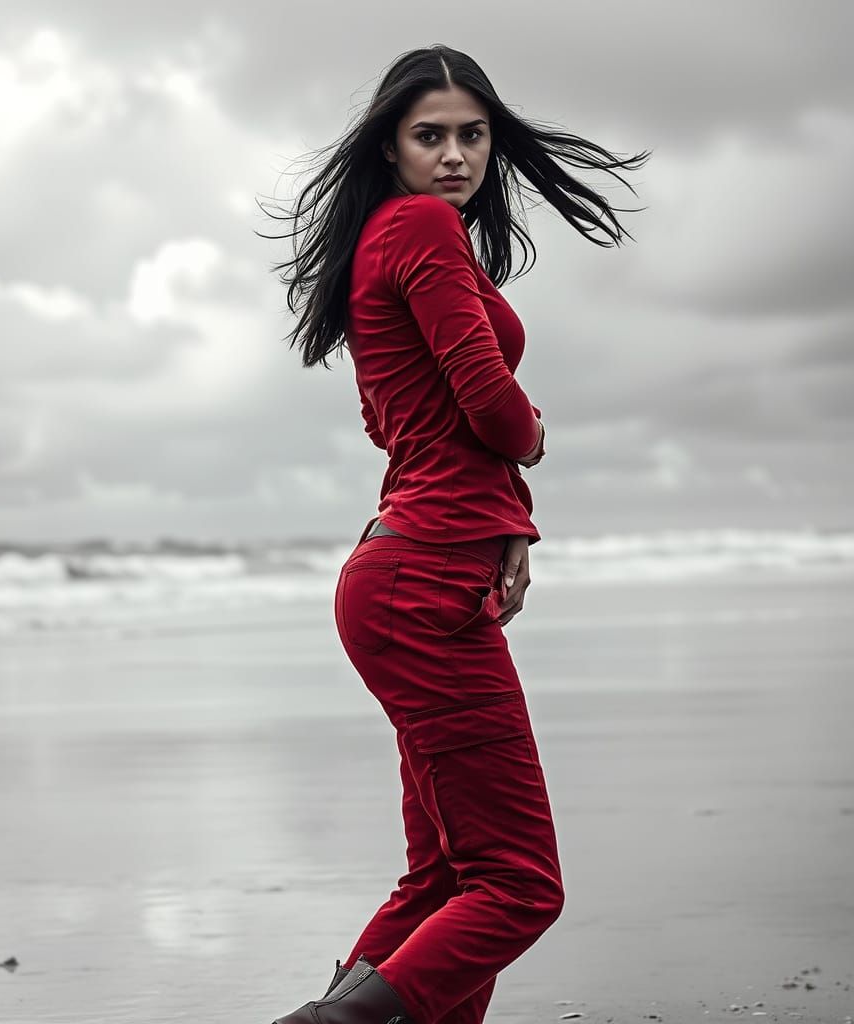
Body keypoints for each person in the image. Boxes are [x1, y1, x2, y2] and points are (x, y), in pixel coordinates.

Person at [257, 44, 649, 1024]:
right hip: (422, 577)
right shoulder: (422, 228)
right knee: (519, 882)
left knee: (444, 876)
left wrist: (506, 526)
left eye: (471, 134)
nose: (454, 155)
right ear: (389, 145)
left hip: (410, 564)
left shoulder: (390, 240)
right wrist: (535, 437)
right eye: (429, 134)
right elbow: (488, 405)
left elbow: (409, 428)